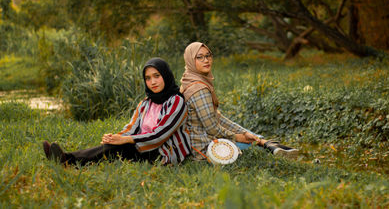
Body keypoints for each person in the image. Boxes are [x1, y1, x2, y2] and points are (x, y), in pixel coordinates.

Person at [43, 57, 191, 166]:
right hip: (141, 146)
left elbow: (160, 135)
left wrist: (126, 140)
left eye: (157, 76)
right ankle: (65, 159)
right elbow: (131, 128)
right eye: (148, 78)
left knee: (123, 146)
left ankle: (67, 160)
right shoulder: (145, 103)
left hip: (165, 152)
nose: (152, 82)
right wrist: (115, 138)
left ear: (166, 75)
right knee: (116, 146)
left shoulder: (176, 101)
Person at [180, 42, 298, 161]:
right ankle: (270, 147)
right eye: (199, 57)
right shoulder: (199, 89)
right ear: (190, 60)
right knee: (252, 146)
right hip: (203, 146)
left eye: (208, 55)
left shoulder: (189, 79)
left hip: (204, 138)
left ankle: (270, 145)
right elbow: (212, 128)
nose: (206, 60)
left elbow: (217, 118)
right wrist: (237, 136)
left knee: (249, 134)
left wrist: (243, 132)